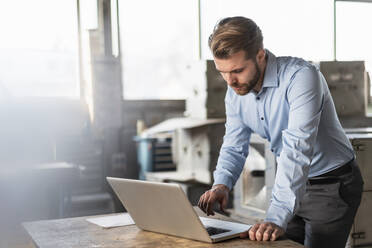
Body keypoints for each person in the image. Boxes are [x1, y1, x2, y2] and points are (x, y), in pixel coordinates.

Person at [197, 16, 364, 248]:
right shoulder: (234, 93)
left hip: (331, 184)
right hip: (290, 183)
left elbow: (297, 148)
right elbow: (234, 145)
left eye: (237, 70)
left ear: (260, 55)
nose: (230, 81)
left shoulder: (301, 77)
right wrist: (221, 184)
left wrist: (275, 217)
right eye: (222, 72)